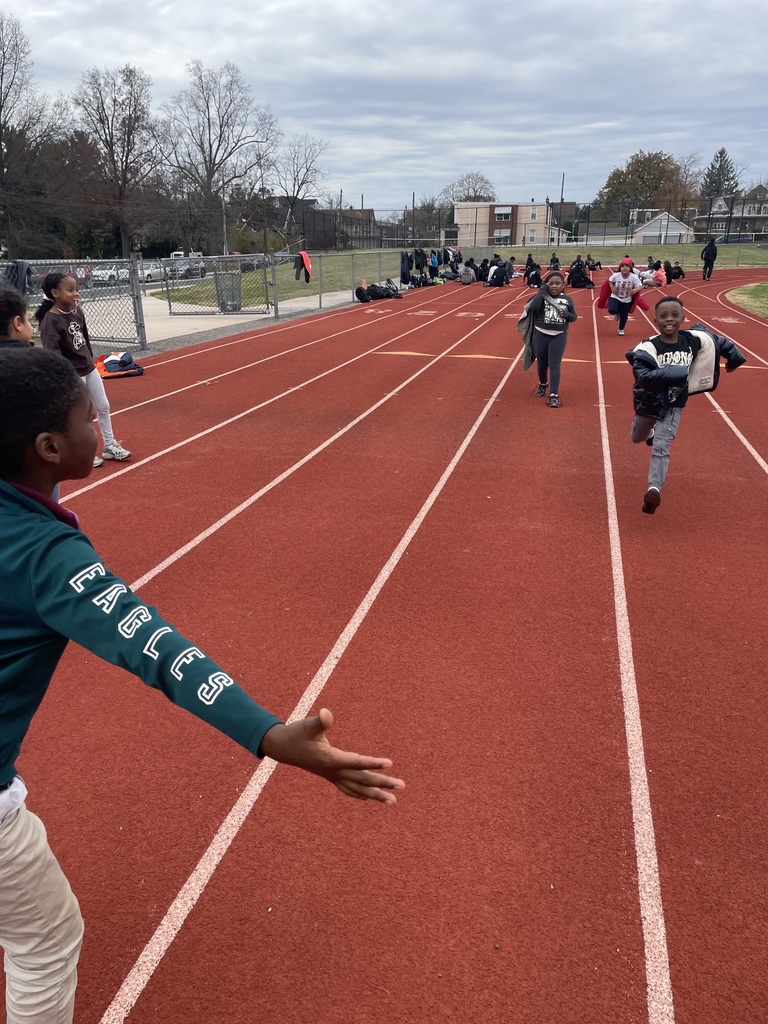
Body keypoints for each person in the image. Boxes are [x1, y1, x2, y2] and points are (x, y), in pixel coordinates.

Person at [0, 346, 406, 1024]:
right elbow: (154, 646)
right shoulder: (46, 555)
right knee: (46, 940)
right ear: (48, 446)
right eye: (84, 419)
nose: (96, 427)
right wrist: (269, 733)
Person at [627, 296, 745, 514]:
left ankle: (654, 490)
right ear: (655, 320)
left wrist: (734, 358)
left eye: (674, 315)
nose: (669, 319)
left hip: (674, 405)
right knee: (636, 437)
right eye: (663, 316)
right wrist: (677, 373)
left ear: (683, 317)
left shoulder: (693, 339)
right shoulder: (648, 347)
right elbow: (642, 375)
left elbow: (719, 342)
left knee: (662, 446)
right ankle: (649, 431)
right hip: (649, 402)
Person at [36, 272, 131, 468]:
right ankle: (82, 453)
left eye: (76, 289)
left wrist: (89, 359)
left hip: (88, 368)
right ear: (55, 293)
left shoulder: (77, 311)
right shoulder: (50, 320)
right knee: (81, 415)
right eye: (70, 290)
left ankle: (110, 445)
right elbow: (52, 353)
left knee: (103, 406)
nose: (75, 294)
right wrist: (65, 378)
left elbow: (85, 338)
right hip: (72, 374)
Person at [526, 271, 578, 408]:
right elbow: (533, 307)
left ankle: (554, 394)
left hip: (559, 335)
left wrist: (566, 314)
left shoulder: (567, 299)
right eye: (551, 284)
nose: (554, 286)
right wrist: (542, 291)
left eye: (557, 283)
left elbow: (574, 317)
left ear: (563, 286)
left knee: (554, 364)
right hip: (541, 334)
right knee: (542, 364)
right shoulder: (542, 297)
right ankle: (543, 383)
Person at [608, 259, 643, 335]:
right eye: (622, 266)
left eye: (627, 266)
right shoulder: (616, 275)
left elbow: (640, 286)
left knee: (624, 316)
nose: (624, 268)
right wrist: (612, 287)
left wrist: (635, 289)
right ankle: (617, 313)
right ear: (620, 268)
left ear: (630, 268)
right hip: (616, 296)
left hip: (626, 299)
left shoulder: (634, 277)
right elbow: (610, 280)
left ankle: (621, 329)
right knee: (611, 310)